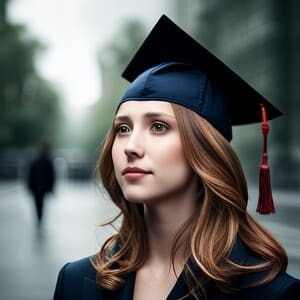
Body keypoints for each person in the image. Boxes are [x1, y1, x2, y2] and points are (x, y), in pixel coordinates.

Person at [53, 15, 300, 299]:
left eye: (158, 126)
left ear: (205, 150)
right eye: (123, 128)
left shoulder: (269, 293)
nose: (131, 146)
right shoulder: (75, 282)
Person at [27, 139, 55, 227]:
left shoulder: (36, 159)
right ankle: (39, 218)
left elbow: (30, 173)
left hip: (36, 187)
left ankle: (39, 218)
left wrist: (29, 186)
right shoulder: (47, 160)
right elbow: (51, 175)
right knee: (40, 204)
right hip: (41, 187)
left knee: (38, 204)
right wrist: (51, 188)